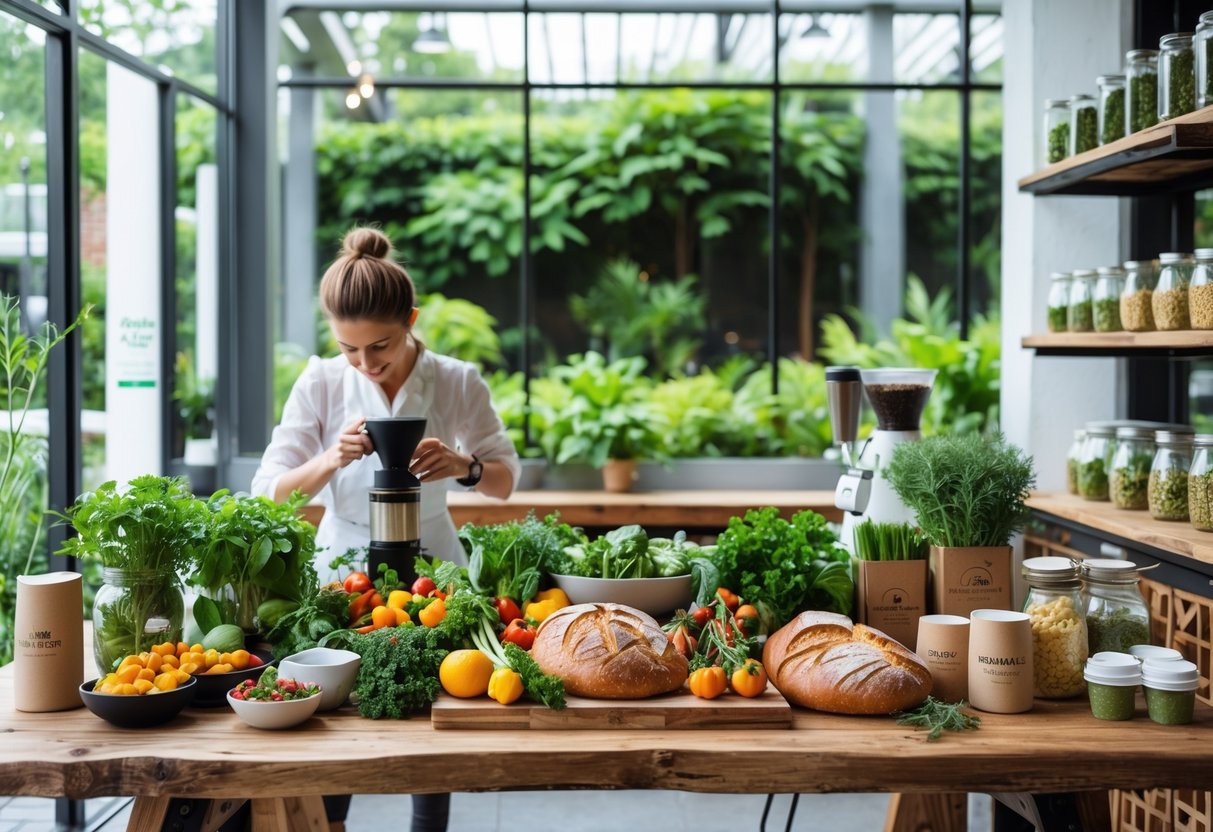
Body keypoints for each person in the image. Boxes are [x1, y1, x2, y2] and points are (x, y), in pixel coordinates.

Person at [251, 226, 520, 832]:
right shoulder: (320, 381)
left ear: (412, 319)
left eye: (382, 346)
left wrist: (463, 465)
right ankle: (334, 823)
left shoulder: (457, 380)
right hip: (341, 569)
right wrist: (329, 460)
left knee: (433, 705)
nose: (366, 363)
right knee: (338, 707)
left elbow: (506, 480)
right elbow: (267, 492)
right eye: (350, 348)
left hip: (435, 570)